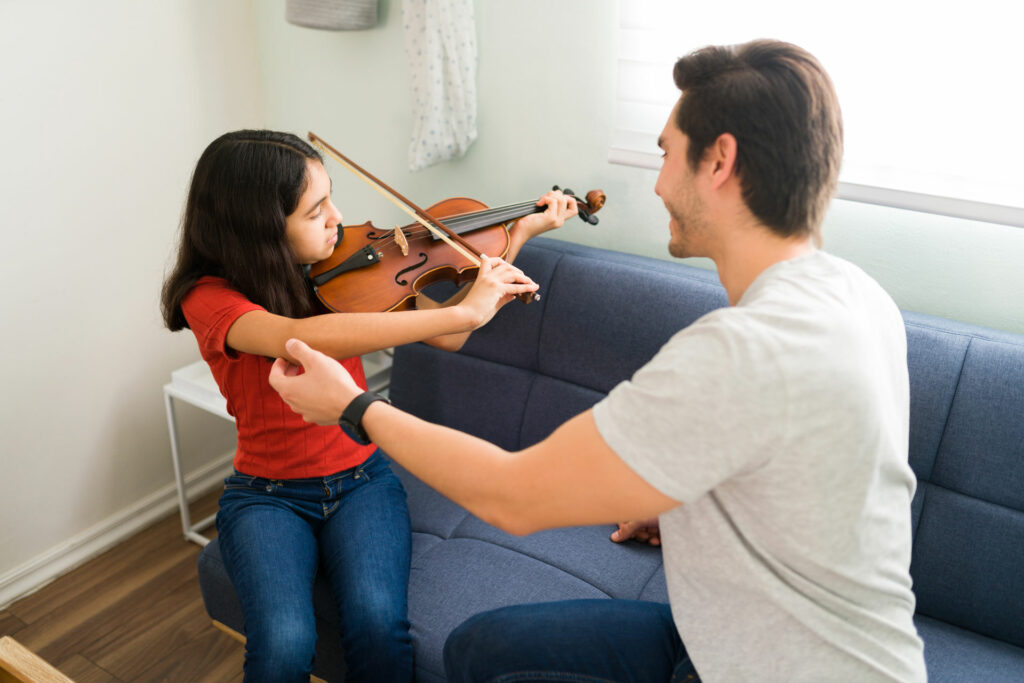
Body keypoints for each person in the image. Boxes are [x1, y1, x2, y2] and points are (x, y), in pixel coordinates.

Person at [268, 40, 928, 683]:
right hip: (722, 628)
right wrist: (685, 508)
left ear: (720, 161)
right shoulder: (857, 296)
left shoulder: (743, 349)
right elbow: (815, 483)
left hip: (770, 664)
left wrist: (354, 406)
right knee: (478, 649)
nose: (659, 180)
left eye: (666, 152)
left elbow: (513, 494)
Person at [160, 129, 576, 682]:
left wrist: (516, 232)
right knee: (283, 643)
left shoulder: (354, 268)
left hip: (362, 482)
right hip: (266, 497)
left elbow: (448, 335)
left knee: (379, 629)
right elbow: (297, 335)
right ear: (261, 225)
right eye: (316, 211)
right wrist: (465, 312)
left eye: (332, 198)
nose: (337, 218)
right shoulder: (209, 298)